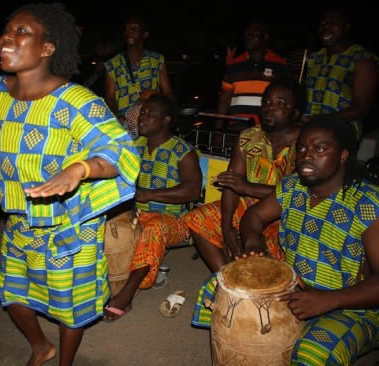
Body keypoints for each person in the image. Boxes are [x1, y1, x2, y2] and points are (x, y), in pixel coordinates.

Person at [0, 3, 140, 365]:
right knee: (13, 295)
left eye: (21, 31)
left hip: (70, 226)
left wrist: (79, 169)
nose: (7, 37)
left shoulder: (76, 101)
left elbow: (119, 150)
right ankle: (41, 347)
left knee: (70, 307)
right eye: (7, 30)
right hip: (21, 218)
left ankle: (63, 360)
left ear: (47, 48)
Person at [238, 118, 379, 364]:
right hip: (294, 289)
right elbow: (255, 215)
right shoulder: (293, 187)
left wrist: (330, 299)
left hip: (352, 307)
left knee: (312, 353)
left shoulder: (367, 204)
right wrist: (253, 244)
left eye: (319, 149)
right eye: (301, 148)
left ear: (344, 155)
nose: (306, 156)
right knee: (224, 292)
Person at [182, 76, 306, 273]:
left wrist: (248, 187)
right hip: (247, 206)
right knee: (198, 218)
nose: (270, 107)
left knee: (269, 258)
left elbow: (299, 194)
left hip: (285, 214)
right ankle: (227, 281)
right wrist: (226, 226)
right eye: (266, 101)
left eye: (280, 103)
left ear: (296, 112)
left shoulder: (306, 142)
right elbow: (233, 183)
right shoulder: (249, 136)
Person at [103, 94, 202, 321]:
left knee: (154, 228)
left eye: (150, 114)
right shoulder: (133, 145)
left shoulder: (183, 151)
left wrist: (148, 194)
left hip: (174, 221)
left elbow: (192, 191)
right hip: (136, 214)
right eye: (142, 113)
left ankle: (126, 294)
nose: (142, 118)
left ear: (167, 120)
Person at [304, 5, 379, 141]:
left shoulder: (361, 58)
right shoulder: (313, 58)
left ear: (347, 28)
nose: (327, 26)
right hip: (310, 132)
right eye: (323, 23)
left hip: (341, 135)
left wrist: (321, 120)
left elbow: (361, 108)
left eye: (335, 22)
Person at [215, 20, 291, 130]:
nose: (249, 37)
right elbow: (224, 100)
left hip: (265, 128)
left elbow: (285, 99)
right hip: (237, 127)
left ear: (265, 38)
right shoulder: (234, 64)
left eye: (254, 34)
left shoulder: (279, 65)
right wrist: (217, 130)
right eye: (247, 34)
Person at [103, 14, 176, 122]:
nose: (130, 30)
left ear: (145, 34)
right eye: (127, 28)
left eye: (135, 27)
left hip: (151, 123)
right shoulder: (112, 63)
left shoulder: (157, 60)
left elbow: (168, 92)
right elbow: (109, 97)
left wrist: (172, 114)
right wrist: (117, 116)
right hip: (126, 123)